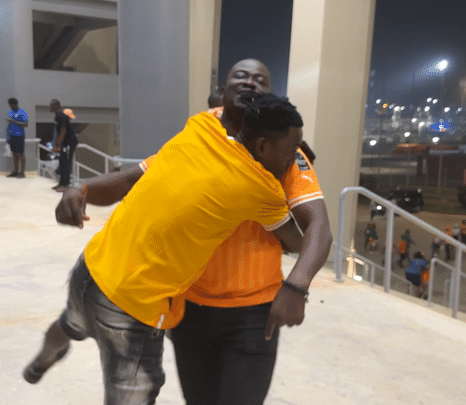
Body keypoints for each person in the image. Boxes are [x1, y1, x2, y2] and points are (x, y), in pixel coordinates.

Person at [23, 91, 319, 404]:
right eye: (290, 154)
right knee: (133, 394)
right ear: (262, 146)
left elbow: (129, 181)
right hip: (135, 306)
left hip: (93, 268)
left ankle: (45, 357)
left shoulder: (201, 127)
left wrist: (79, 189)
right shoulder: (261, 188)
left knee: (70, 323)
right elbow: (298, 240)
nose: (293, 162)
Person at [49, 100, 78, 192]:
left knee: (66, 163)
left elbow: (63, 131)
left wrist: (58, 144)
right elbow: (58, 133)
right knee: (62, 162)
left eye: (51, 105)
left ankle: (66, 185)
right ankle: (61, 183)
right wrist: (55, 145)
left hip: (69, 142)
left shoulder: (61, 116)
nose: (49, 107)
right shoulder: (57, 116)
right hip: (64, 143)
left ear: (56, 105)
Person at [6, 97, 28, 178]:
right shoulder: (11, 112)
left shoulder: (22, 112)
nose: (10, 107)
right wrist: (7, 136)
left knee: (21, 153)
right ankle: (16, 171)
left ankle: (22, 172)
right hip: (12, 135)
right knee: (15, 153)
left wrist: (14, 121)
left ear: (15, 104)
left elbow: (26, 124)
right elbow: (9, 125)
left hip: (20, 135)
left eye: (11, 105)